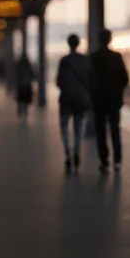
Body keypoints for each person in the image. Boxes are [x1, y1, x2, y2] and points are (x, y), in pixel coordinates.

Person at [89, 28, 129, 173]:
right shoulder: (117, 57)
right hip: (114, 100)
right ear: (110, 39)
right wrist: (117, 90)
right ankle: (117, 161)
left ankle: (104, 161)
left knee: (100, 132)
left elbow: (89, 79)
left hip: (98, 100)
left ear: (99, 40)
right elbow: (125, 78)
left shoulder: (93, 57)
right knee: (115, 130)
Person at [56, 33, 91, 171]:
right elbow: (89, 80)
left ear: (68, 44)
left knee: (64, 126)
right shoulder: (85, 60)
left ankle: (67, 154)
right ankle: (76, 151)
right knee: (78, 128)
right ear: (78, 43)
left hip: (66, 98)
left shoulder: (64, 61)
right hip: (81, 99)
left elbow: (59, 82)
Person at [14, 53, 35, 120]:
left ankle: (20, 110)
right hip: (27, 85)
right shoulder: (28, 66)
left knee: (20, 100)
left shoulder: (18, 66)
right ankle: (25, 112)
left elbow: (16, 75)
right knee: (25, 100)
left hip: (20, 85)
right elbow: (32, 75)